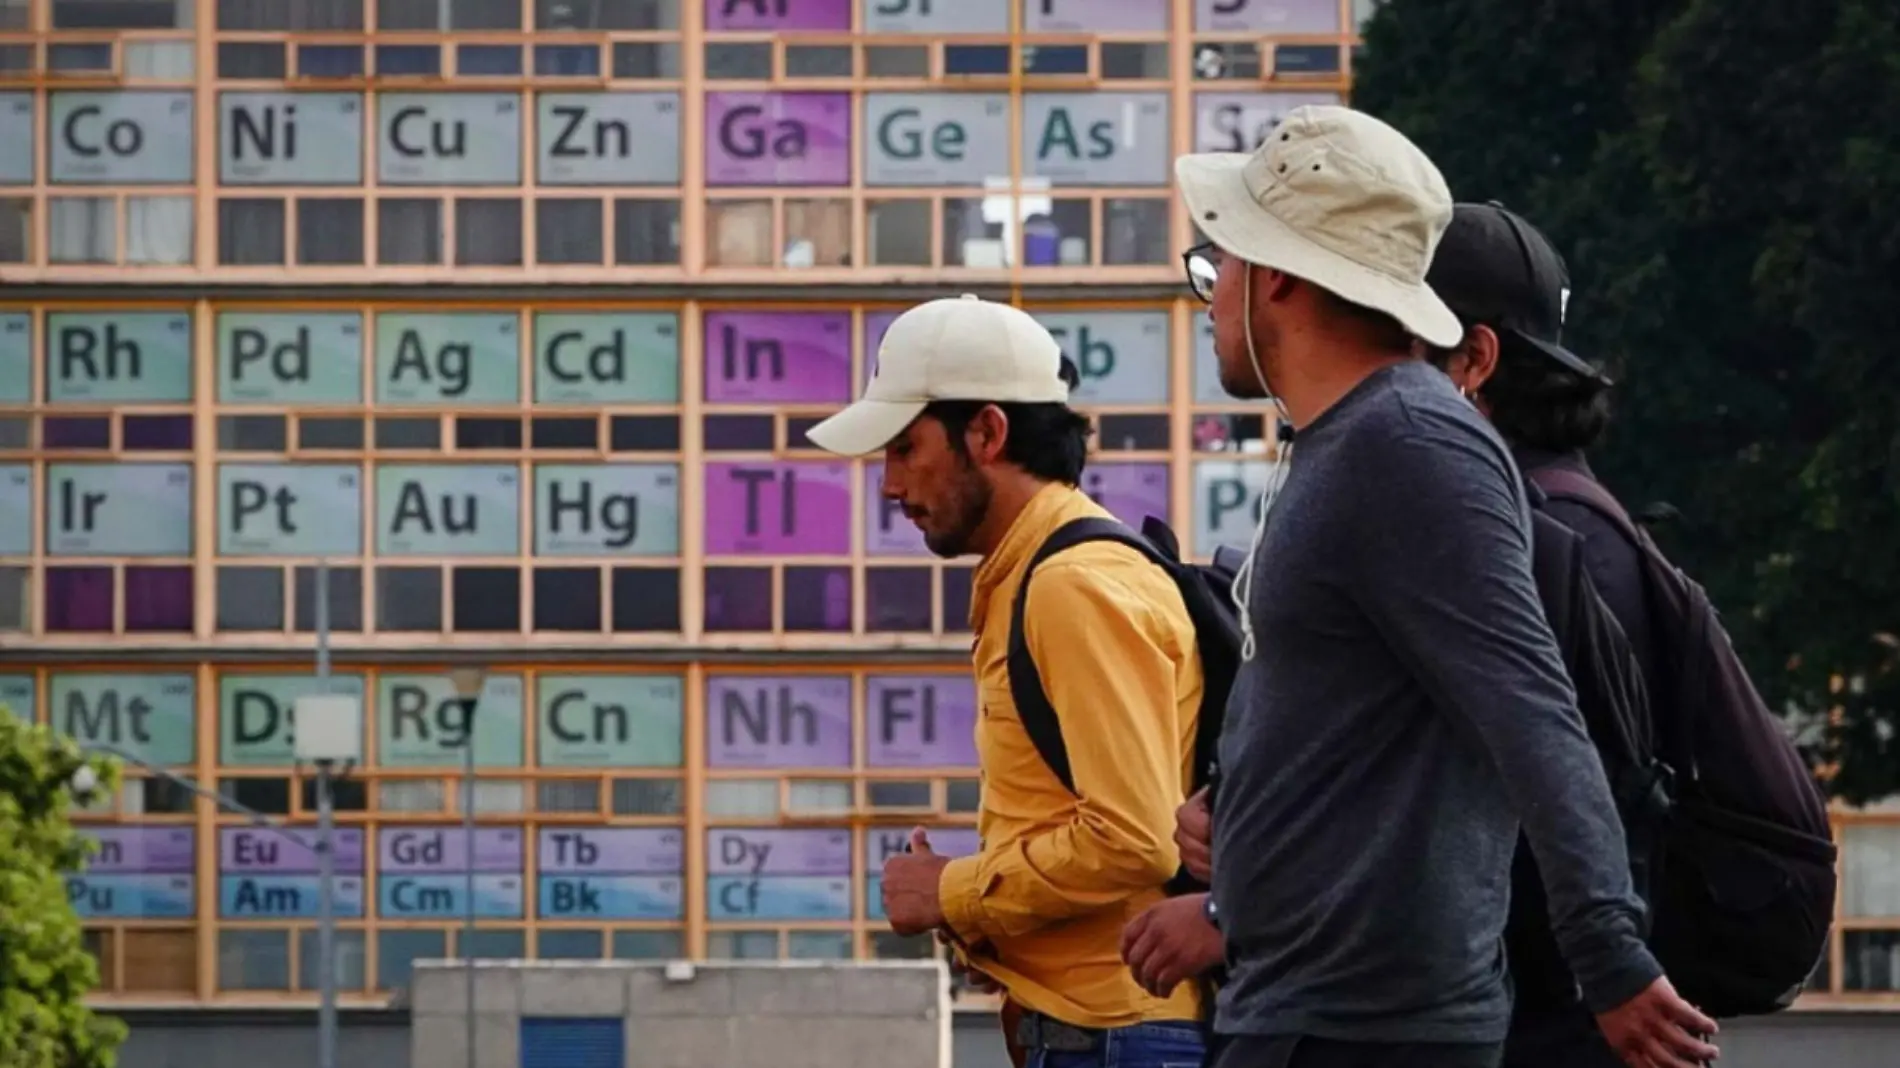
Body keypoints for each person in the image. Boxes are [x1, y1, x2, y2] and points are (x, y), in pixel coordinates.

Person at [1157, 103, 1720, 1068]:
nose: (1212, 298)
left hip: (1363, 1034)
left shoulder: (1410, 445)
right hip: (1302, 1009)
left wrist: (1609, 957)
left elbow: (1531, 712)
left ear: (1281, 272)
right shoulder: (1346, 444)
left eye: (1225, 265)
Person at [803, 294, 1208, 1068]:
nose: (889, 486)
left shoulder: (1071, 584)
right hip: (1100, 1031)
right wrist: (996, 918)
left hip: (1117, 1037)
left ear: (986, 432)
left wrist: (950, 891)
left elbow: (1131, 840)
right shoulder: (1038, 573)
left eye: (904, 449)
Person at [1421, 201, 1661, 1068]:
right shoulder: (1583, 525)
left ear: (1473, 362)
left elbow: (1517, 796)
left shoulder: (1532, 541)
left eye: (1387, 335)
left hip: (1536, 1024)